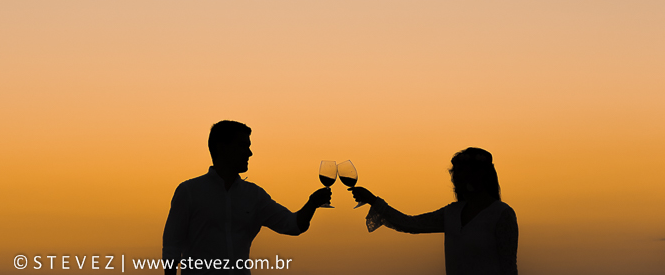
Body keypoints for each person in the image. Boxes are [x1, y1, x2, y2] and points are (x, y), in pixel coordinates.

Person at [162, 120, 331, 275]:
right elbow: (171, 248)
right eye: (243, 146)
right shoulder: (189, 192)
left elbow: (293, 225)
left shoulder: (254, 196)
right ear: (222, 147)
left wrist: (313, 203)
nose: (249, 153)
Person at [350, 147, 518, 275]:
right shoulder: (451, 213)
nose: (454, 179)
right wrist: (373, 200)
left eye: (460, 172)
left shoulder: (501, 214)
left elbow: (508, 267)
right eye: (454, 173)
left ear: (479, 175)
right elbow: (411, 224)